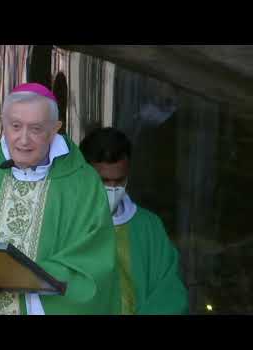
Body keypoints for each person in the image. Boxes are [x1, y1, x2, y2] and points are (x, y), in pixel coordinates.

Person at [0, 83, 121, 315]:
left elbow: (92, 266)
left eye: (35, 129)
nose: (23, 140)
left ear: (55, 128)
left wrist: (25, 276)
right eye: (15, 126)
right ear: (2, 125)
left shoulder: (82, 184)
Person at [80, 127, 189, 315]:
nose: (112, 188)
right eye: (103, 181)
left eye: (119, 180)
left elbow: (170, 293)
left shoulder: (149, 227)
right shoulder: (65, 223)